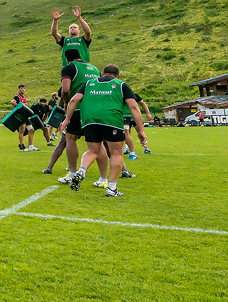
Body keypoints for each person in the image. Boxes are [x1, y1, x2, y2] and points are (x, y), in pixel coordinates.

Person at [63, 64, 147, 197]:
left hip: (89, 120)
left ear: (101, 74)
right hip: (112, 120)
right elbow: (134, 106)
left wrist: (67, 119)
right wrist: (140, 130)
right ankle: (112, 188)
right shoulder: (121, 85)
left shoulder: (89, 83)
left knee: (92, 151)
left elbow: (73, 100)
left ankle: (81, 171)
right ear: (118, 76)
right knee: (116, 153)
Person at [49, 49, 106, 183]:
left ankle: (72, 174)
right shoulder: (94, 68)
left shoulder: (69, 68)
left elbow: (66, 90)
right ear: (80, 56)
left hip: (78, 108)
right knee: (98, 143)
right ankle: (103, 178)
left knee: (70, 138)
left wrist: (67, 104)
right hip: (96, 109)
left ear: (67, 59)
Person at [122, 89, 152, 164]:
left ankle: (146, 148)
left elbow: (142, 103)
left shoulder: (133, 95)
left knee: (140, 132)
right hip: (126, 116)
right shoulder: (122, 95)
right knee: (127, 133)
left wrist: (148, 113)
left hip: (134, 117)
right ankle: (127, 148)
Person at [11, 84, 39, 151]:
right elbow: (12, 102)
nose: (23, 89)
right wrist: (19, 109)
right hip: (21, 116)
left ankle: (31, 145)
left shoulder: (24, 97)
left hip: (25, 116)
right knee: (22, 131)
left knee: (31, 129)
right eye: (21, 88)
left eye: (24, 88)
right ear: (19, 89)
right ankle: (21, 146)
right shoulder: (17, 96)